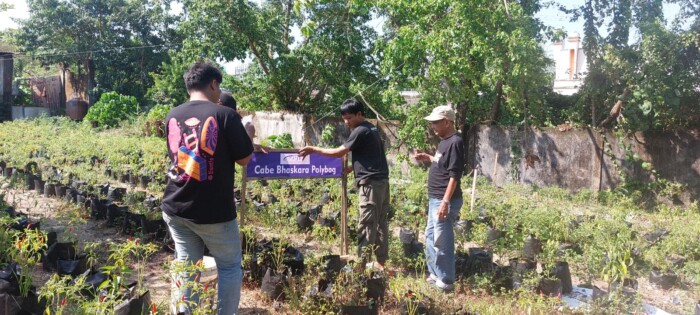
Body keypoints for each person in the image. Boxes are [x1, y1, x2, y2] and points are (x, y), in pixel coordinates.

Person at [162, 61, 253, 315]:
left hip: (176, 206)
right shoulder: (224, 114)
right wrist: (250, 136)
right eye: (219, 86)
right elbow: (245, 159)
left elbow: (176, 155)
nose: (219, 92)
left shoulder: (172, 114)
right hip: (213, 212)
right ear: (213, 84)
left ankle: (184, 312)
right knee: (229, 266)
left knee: (187, 264)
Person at [298, 98, 390, 269]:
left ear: (359, 114)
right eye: (344, 119)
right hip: (381, 182)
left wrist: (314, 149)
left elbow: (339, 152)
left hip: (370, 184)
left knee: (367, 223)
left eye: (349, 118)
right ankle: (380, 262)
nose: (346, 122)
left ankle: (362, 265)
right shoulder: (371, 129)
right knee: (380, 223)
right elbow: (371, 156)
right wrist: (351, 168)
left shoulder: (360, 130)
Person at [413, 105, 465, 291]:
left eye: (436, 122)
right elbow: (442, 162)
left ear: (447, 122)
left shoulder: (455, 142)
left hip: (444, 200)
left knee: (442, 240)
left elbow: (454, 176)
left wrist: (445, 202)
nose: (433, 125)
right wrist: (428, 157)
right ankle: (435, 273)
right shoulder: (444, 141)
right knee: (429, 236)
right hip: (435, 198)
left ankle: (446, 281)